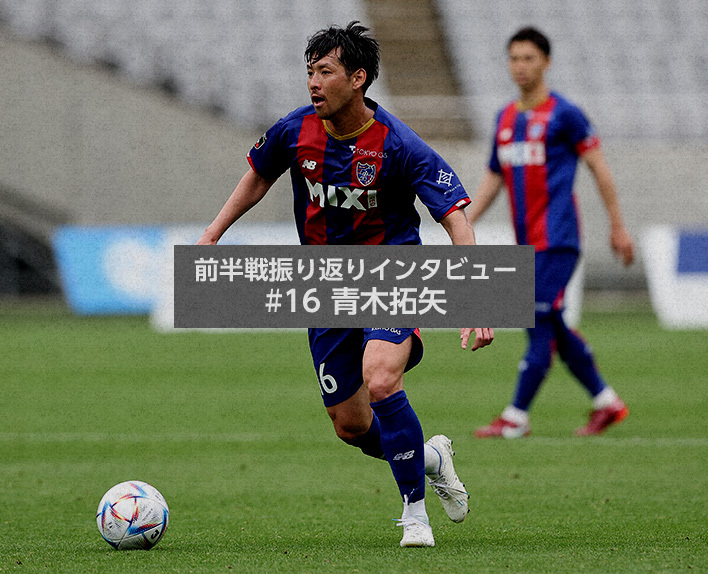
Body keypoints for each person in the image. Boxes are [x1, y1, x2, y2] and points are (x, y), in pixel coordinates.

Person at [196, 22, 494, 547]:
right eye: (310, 71)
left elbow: (455, 217)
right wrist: (212, 234)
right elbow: (259, 175)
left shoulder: (400, 145)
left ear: (358, 79)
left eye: (325, 71)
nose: (314, 82)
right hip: (325, 284)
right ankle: (430, 457)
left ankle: (415, 515)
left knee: (380, 379)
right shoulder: (294, 130)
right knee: (351, 425)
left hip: (391, 275)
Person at [468, 27, 635, 439]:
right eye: (514, 58)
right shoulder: (505, 118)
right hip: (526, 244)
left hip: (558, 239)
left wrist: (617, 226)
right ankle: (607, 402)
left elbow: (599, 167)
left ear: (546, 62)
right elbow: (494, 176)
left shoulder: (566, 114)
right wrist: (463, 221)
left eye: (528, 58)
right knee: (550, 322)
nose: (520, 66)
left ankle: (516, 417)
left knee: (536, 319)